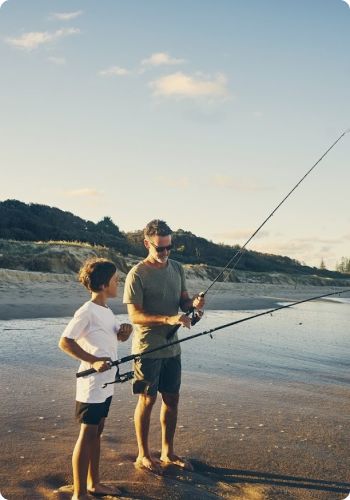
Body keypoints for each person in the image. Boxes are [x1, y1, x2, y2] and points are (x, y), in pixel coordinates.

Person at [123, 219, 205, 474]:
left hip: (173, 347)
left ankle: (168, 451)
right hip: (148, 348)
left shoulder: (177, 268)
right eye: (160, 248)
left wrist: (194, 305)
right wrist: (168, 319)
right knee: (147, 400)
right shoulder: (137, 274)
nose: (165, 253)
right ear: (147, 244)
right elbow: (135, 316)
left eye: (169, 248)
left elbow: (183, 303)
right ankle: (143, 454)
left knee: (172, 399)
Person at [59, 258, 132, 500]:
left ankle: (94, 483)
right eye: (114, 279)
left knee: (98, 431)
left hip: (106, 382)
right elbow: (65, 342)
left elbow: (107, 340)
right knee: (88, 433)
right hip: (91, 384)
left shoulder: (106, 310)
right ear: (103, 284)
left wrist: (123, 332)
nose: (118, 282)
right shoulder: (86, 311)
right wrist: (93, 361)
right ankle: (79, 494)